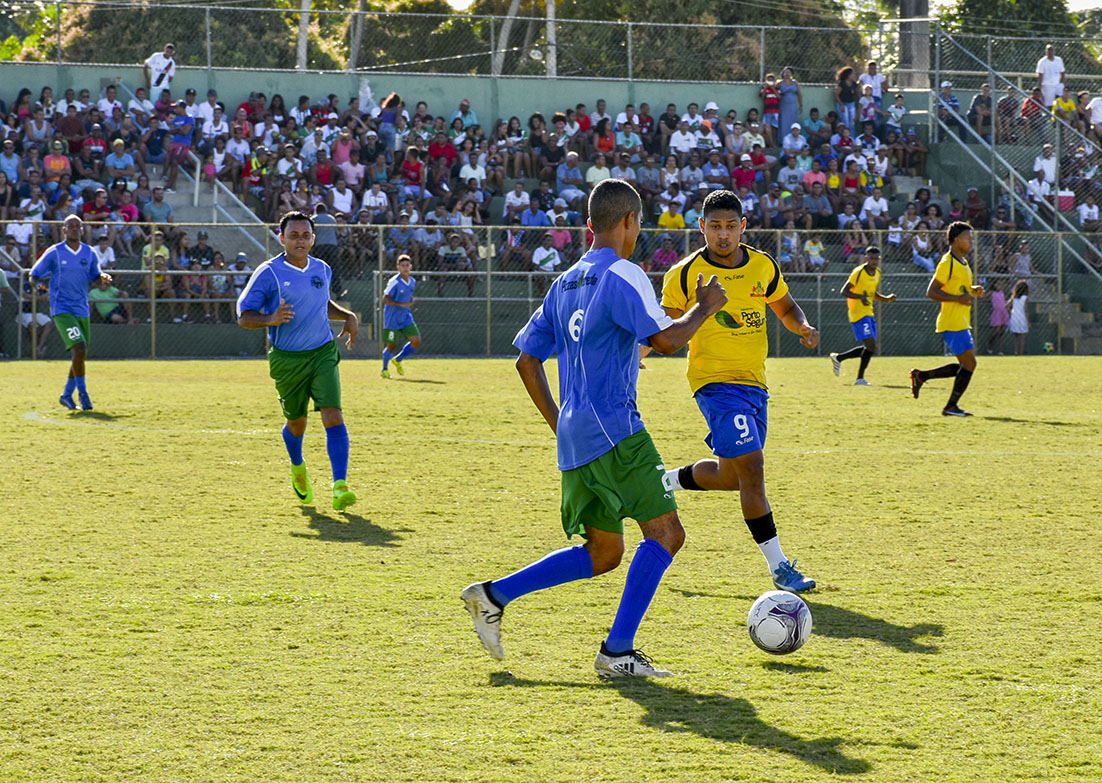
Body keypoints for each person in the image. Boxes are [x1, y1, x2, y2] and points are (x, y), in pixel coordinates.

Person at [460, 178, 728, 678]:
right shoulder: (625, 273)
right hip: (618, 431)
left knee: (604, 552)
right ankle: (617, 652)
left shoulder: (563, 282)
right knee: (666, 533)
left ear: (589, 225)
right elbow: (666, 340)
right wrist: (705, 307)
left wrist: (560, 422)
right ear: (630, 221)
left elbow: (526, 361)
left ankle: (492, 596)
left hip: (576, 437)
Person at [658, 189, 819, 594]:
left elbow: (786, 307)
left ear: (743, 226)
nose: (723, 234)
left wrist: (801, 326)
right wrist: (639, 353)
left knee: (733, 475)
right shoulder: (684, 274)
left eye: (731, 226)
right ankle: (780, 568)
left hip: (754, 384)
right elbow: (666, 328)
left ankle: (664, 481)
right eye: (715, 226)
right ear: (701, 227)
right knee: (753, 469)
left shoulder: (762, 265)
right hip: (714, 384)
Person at [236, 211, 360, 511]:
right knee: (296, 423)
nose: (300, 241)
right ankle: (297, 466)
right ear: (281, 238)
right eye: (293, 235)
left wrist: (347, 315)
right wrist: (269, 319)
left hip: (322, 352)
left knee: (333, 414)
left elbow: (321, 302)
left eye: (305, 235)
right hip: (287, 360)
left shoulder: (322, 269)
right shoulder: (269, 273)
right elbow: (244, 316)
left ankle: (340, 486)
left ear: (313, 239)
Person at [29, 215, 111, 411]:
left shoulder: (89, 253)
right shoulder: (55, 252)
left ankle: (66, 395)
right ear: (64, 230)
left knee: (79, 354)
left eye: (77, 226)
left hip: (82, 309)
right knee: (79, 348)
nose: (74, 229)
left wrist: (103, 278)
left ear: (82, 230)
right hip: (62, 309)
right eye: (70, 226)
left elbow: (95, 276)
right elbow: (34, 275)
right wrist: (37, 284)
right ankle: (83, 395)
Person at [910, 222, 985, 417]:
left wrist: (972, 290)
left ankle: (922, 376)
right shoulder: (947, 262)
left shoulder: (963, 262)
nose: (971, 241)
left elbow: (958, 288)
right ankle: (950, 406)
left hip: (960, 320)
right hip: (952, 321)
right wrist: (958, 299)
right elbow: (932, 292)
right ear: (956, 240)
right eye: (968, 238)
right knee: (969, 364)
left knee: (966, 365)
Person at [829, 246, 897, 385]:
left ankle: (839, 358)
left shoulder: (878, 273)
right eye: (871, 258)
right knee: (871, 346)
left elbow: (873, 293)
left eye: (876, 259)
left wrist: (887, 298)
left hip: (869, 312)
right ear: (866, 258)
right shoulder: (858, 272)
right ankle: (859, 378)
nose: (874, 261)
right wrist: (860, 297)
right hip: (858, 313)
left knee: (870, 347)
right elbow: (844, 291)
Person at [381, 254, 420, 379]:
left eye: (407, 265)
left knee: (416, 341)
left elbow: (408, 295)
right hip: (392, 319)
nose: (405, 268)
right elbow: (385, 299)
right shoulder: (394, 282)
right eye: (402, 266)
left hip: (406, 317)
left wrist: (411, 301)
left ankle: (398, 359)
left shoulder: (412, 281)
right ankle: (384, 369)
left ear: (411, 267)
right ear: (398, 267)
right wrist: (401, 304)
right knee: (391, 345)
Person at [986, 278, 1010, 355]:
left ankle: (1000, 350)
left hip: (1004, 312)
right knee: (997, 331)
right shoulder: (992, 293)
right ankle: (990, 343)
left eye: (1001, 284)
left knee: (1002, 333)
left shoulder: (1003, 292)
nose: (1000, 286)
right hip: (997, 313)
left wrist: (1008, 311)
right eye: (998, 284)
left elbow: (1005, 302)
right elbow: (984, 296)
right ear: (994, 285)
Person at [1009, 279, 1029, 355]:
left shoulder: (1014, 297)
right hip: (1022, 317)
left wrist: (1011, 312)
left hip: (1014, 317)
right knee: (1022, 336)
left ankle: (1016, 351)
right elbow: (1026, 310)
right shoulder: (1025, 298)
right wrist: (1028, 322)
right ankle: (1021, 352)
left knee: (1016, 337)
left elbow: (1007, 306)